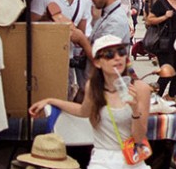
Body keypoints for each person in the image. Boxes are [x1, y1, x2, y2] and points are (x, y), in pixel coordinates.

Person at [28, 35, 152, 169]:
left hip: (131, 159)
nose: (117, 58)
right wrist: (51, 100)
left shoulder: (140, 88)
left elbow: (139, 138)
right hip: (102, 158)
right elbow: (83, 111)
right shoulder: (93, 87)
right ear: (98, 62)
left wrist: (134, 110)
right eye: (109, 54)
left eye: (121, 52)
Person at [30, 0, 92, 98]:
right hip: (44, 62)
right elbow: (28, 30)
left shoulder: (83, 0)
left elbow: (80, 35)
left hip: (67, 63)